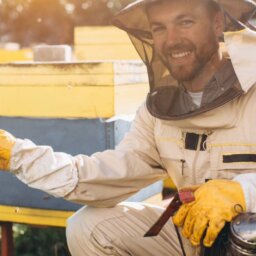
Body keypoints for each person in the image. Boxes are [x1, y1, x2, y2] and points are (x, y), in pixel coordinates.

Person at [0, 0, 256, 255]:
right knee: (90, 227)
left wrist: (243, 192)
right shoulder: (159, 112)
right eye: (159, 28)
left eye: (185, 22)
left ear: (217, 23)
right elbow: (102, 176)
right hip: (195, 236)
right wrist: (17, 155)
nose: (172, 39)